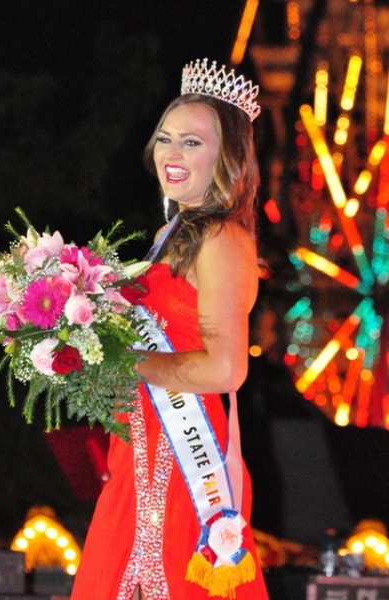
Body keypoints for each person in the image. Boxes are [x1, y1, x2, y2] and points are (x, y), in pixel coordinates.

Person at [70, 58, 269, 600]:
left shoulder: (222, 239)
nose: (172, 154)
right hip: (142, 446)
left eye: (192, 142)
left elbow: (226, 368)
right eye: (165, 138)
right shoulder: (173, 233)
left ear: (226, 156)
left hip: (183, 457)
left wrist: (126, 361)